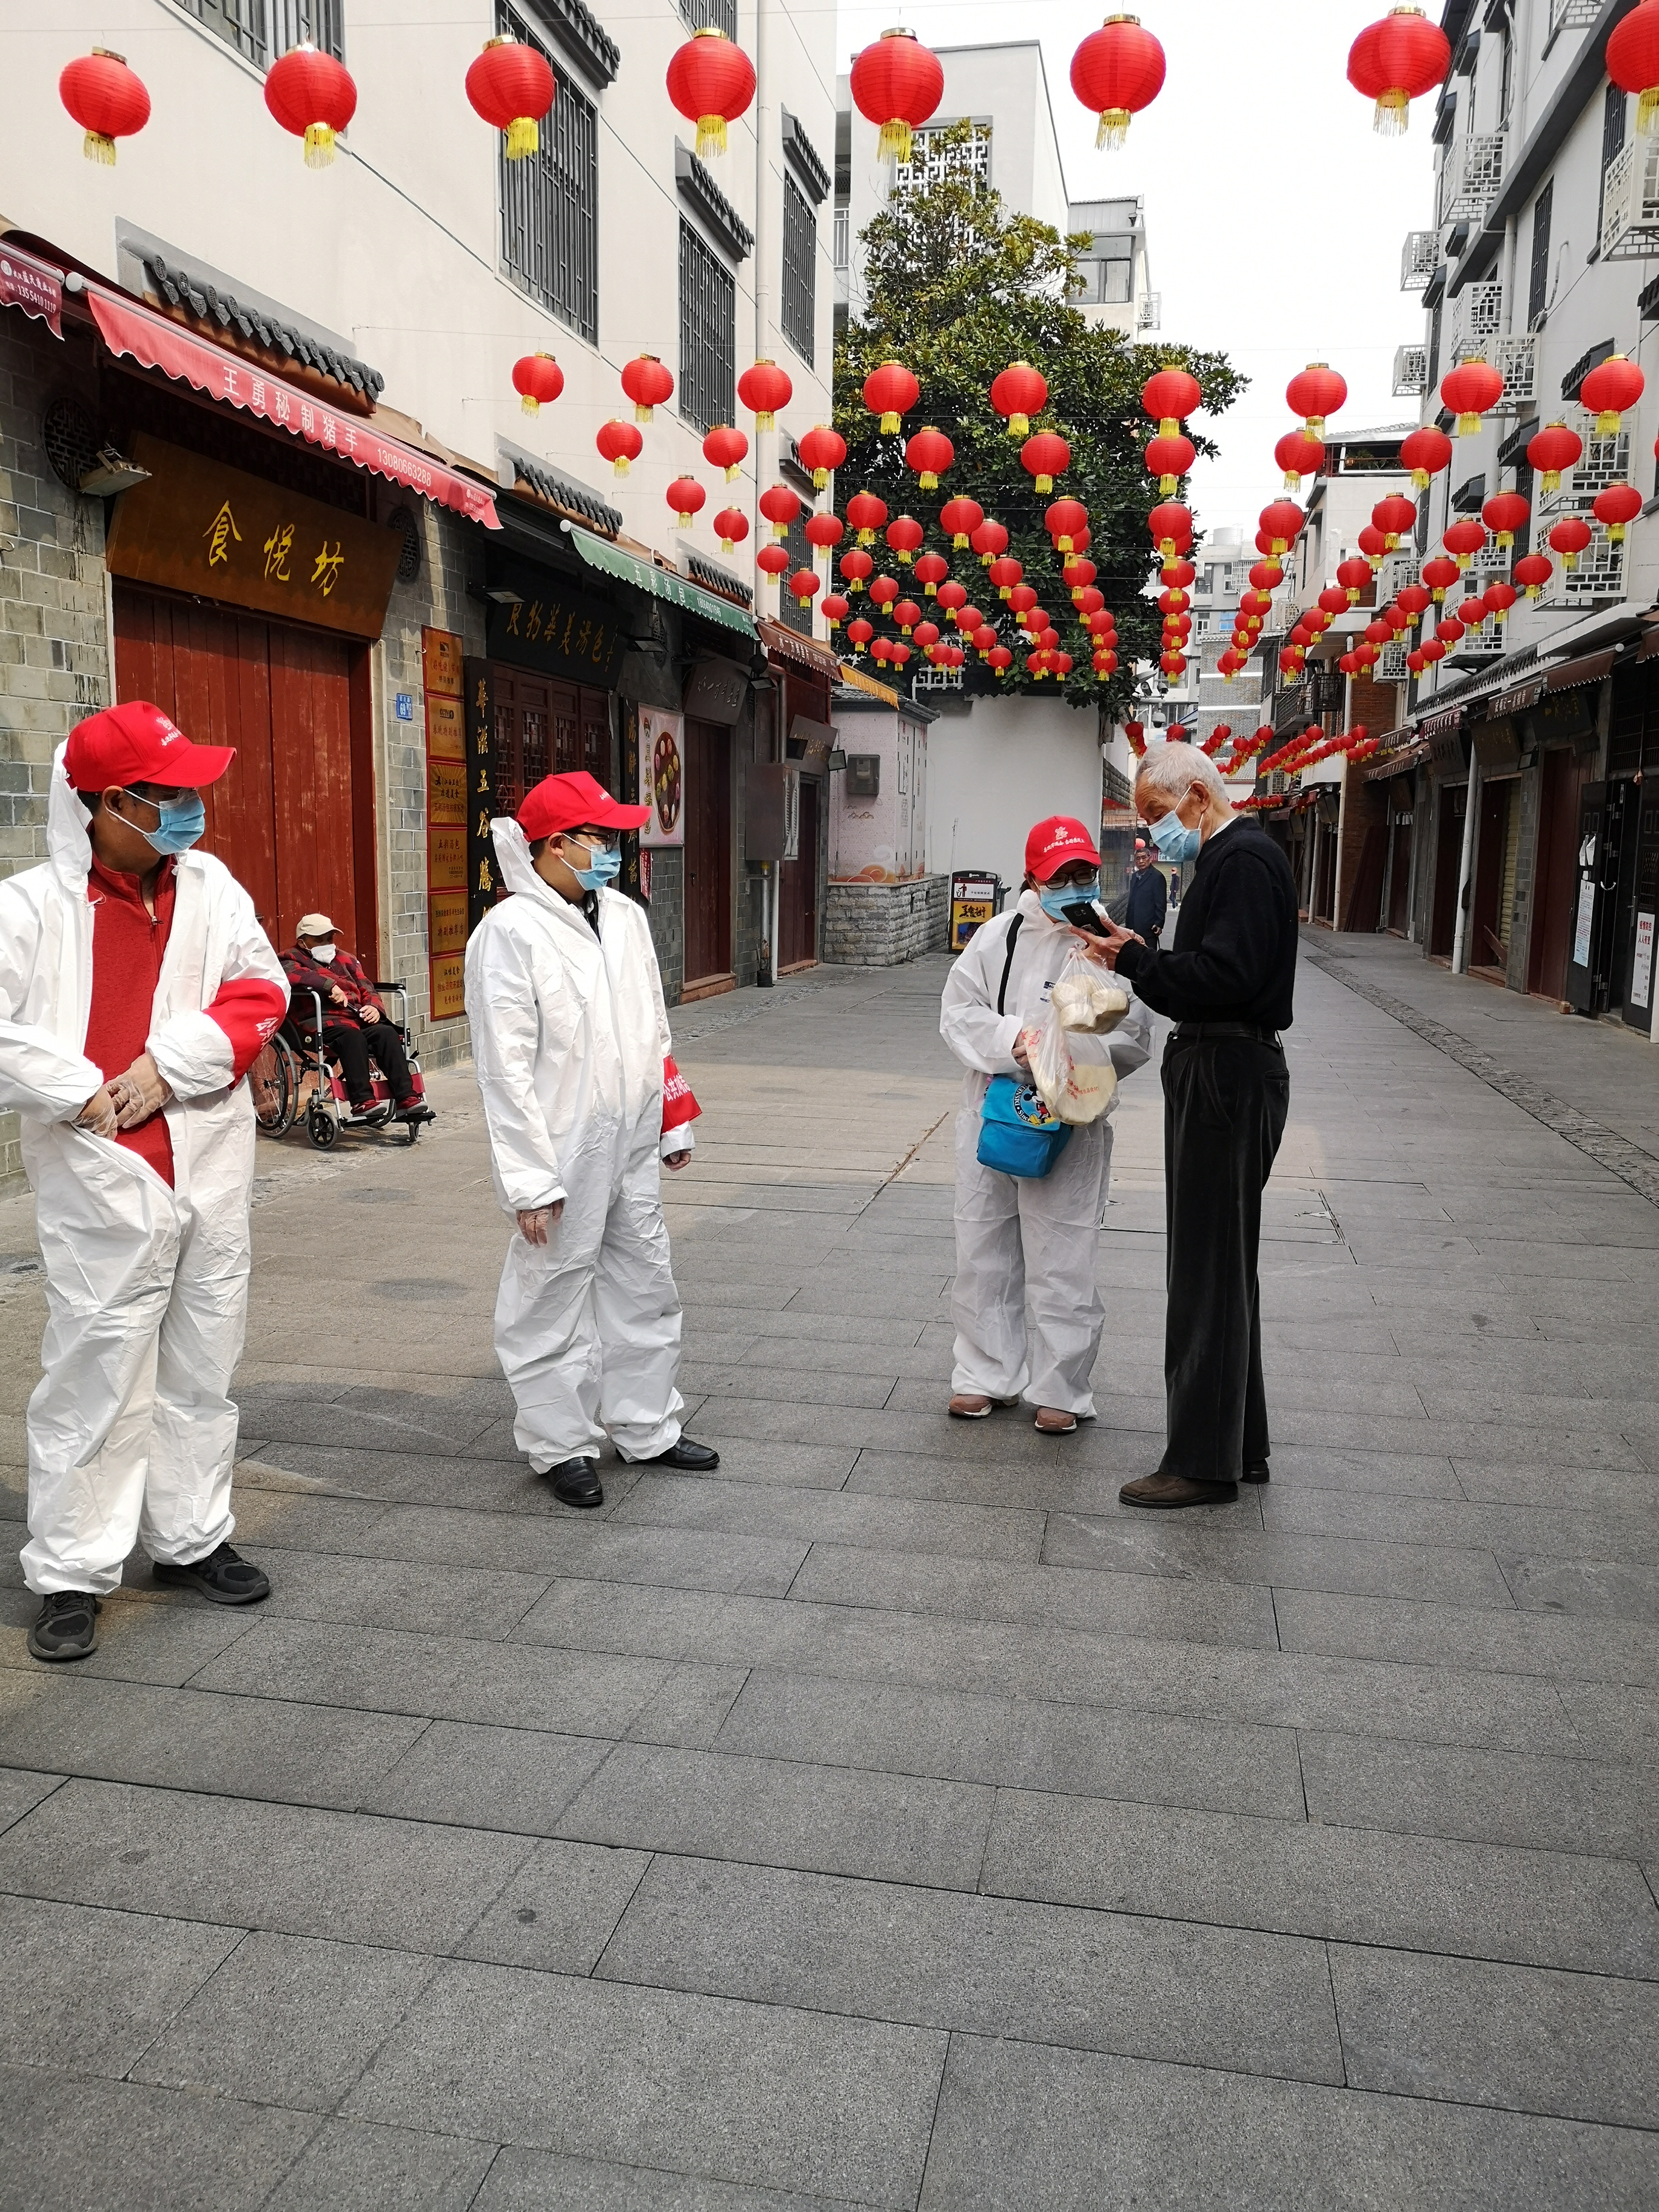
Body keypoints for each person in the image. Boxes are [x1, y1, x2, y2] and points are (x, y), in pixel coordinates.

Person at [0, 701, 290, 1661]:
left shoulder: (211, 888)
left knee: (203, 1366)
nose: (191, 810)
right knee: (94, 1375)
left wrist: (168, 1066)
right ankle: (75, 1569)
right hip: (101, 1171)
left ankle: (190, 1536)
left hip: (207, 1157)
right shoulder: (30, 907)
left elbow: (261, 991)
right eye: (170, 796)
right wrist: (86, 1092)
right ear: (111, 802)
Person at [463, 769, 717, 1509]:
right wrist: (530, 1182)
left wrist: (673, 1116)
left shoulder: (626, 917)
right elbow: (502, 1072)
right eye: (596, 837)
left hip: (633, 1137)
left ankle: (647, 1426)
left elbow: (652, 1028)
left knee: (646, 1282)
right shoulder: (509, 933)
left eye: (610, 836)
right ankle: (558, 1444)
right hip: (563, 1144)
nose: (608, 848)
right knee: (551, 1296)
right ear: (553, 845)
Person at [1091, 743, 1298, 1509]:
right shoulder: (1234, 857)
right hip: (1226, 1069)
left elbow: (1226, 977)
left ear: (1200, 796)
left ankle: (1203, 1464)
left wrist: (1138, 961)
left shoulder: (1240, 860)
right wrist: (1138, 957)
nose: (1153, 833)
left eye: (1157, 815)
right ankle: (1239, 1445)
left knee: (1207, 1271)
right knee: (1223, 1266)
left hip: (1227, 1072)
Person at [940, 815, 1151, 1435]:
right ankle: (983, 1375)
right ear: (1033, 876)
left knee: (1065, 1253)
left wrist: (1078, 1051)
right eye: (1063, 874)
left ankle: (1063, 1386)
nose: (1076, 884)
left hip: (1073, 1122)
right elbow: (958, 1014)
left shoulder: (1110, 942)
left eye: (1085, 872)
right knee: (983, 1247)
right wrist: (1018, 1041)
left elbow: (1137, 1036)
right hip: (995, 1109)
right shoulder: (998, 937)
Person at [282, 914, 425, 1124]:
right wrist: (329, 985)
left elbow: (366, 987)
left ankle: (406, 1097)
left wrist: (374, 1007)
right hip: (321, 1020)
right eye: (320, 940)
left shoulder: (345, 959)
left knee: (385, 1033)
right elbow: (296, 977)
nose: (327, 944)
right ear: (303, 943)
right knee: (351, 1036)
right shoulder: (289, 959)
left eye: (329, 939)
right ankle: (362, 1101)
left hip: (355, 1017)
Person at [1124, 839, 1168, 946]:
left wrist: (1159, 923)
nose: (1141, 861)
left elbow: (1161, 903)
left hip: (1148, 927)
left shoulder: (1157, 877)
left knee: (1149, 957)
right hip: (1133, 927)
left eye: (1144, 858)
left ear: (1150, 858)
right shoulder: (1135, 877)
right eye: (1138, 859)